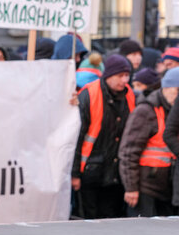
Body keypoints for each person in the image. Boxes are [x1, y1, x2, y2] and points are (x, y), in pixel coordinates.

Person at [72, 54, 136, 219]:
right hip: (90, 171)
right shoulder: (89, 95)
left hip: (116, 173)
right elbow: (77, 137)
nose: (125, 80)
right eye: (120, 76)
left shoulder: (129, 95)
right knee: (90, 219)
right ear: (108, 75)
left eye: (127, 75)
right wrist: (75, 174)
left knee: (111, 218)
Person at [119, 67, 179, 216]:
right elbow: (128, 152)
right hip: (146, 188)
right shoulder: (145, 111)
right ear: (166, 88)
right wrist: (131, 187)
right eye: (177, 91)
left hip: (167, 189)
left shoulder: (172, 111)